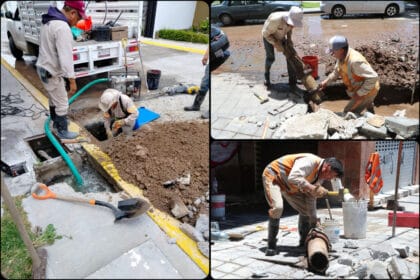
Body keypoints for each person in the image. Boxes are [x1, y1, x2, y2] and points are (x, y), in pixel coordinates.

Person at [262, 153, 343, 256]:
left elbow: (311, 197)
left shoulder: (320, 178)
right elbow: (293, 177)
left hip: (289, 186)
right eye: (331, 175)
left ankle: (304, 241)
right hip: (274, 176)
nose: (330, 179)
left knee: (306, 211)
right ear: (327, 167)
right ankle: (271, 244)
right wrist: (312, 188)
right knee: (278, 207)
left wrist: (313, 221)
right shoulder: (310, 161)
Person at [36, 1, 87, 139]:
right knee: (62, 102)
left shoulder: (49, 21)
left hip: (42, 67)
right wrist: (72, 80)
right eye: (78, 18)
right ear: (72, 13)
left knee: (54, 98)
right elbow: (66, 58)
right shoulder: (62, 27)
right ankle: (62, 130)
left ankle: (55, 121)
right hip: (50, 71)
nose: (77, 23)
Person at [320, 35, 379, 114]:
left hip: (368, 90)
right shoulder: (341, 57)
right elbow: (337, 71)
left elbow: (373, 77)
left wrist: (359, 94)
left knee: (348, 112)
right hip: (359, 88)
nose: (332, 54)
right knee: (367, 104)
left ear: (341, 50)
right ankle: (371, 113)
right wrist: (326, 82)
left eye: (333, 51)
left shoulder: (355, 61)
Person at [184, 25, 230, 118]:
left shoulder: (215, 32)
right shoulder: (213, 32)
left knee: (208, 81)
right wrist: (206, 56)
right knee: (205, 81)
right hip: (217, 53)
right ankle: (196, 105)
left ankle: (210, 110)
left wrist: (207, 56)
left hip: (221, 55)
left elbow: (217, 47)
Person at [262, 6, 303, 90]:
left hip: (280, 35)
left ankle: (292, 81)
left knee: (290, 56)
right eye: (293, 24)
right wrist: (276, 44)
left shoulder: (292, 21)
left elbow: (289, 31)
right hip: (269, 36)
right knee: (271, 58)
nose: (293, 26)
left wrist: (289, 42)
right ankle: (267, 77)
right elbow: (266, 34)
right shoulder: (275, 20)